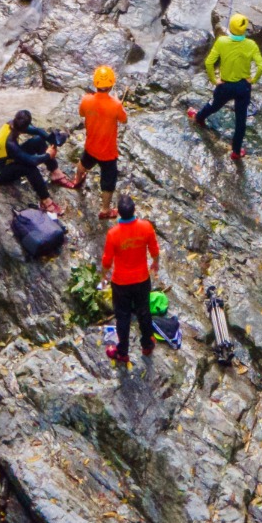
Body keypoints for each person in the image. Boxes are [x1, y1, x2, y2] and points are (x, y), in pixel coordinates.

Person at [189, 12, 262, 160]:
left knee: (213, 105)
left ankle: (199, 117)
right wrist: (253, 80)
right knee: (241, 120)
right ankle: (236, 151)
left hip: (225, 85)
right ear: (244, 30)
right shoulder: (251, 45)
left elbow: (209, 63)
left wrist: (214, 80)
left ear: (230, 27)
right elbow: (261, 66)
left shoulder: (222, 42)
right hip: (243, 87)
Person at [101, 193, 161, 366]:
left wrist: (104, 275)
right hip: (142, 279)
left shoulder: (113, 234)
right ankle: (147, 344)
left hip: (121, 283)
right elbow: (154, 249)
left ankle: (122, 352)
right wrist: (155, 263)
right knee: (144, 311)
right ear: (134, 210)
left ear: (119, 213)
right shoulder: (146, 227)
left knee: (123, 317)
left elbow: (107, 260)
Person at [78, 62, 128, 216]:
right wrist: (117, 103)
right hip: (107, 152)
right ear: (111, 85)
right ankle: (105, 210)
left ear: (95, 84)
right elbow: (124, 120)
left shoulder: (86, 100)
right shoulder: (116, 105)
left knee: (83, 163)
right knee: (108, 181)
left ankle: (77, 180)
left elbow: (82, 113)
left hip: (91, 145)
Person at [0, 108, 61, 209]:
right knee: (29, 168)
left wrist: (52, 140)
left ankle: (55, 172)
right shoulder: (10, 143)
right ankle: (45, 200)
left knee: (38, 140)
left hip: (9, 158)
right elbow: (32, 161)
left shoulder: (13, 124)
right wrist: (48, 155)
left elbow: (37, 131)